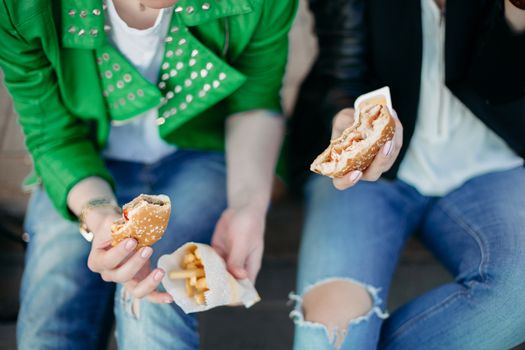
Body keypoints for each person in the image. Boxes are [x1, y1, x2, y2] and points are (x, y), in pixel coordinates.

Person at [0, 0, 297, 348]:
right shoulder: (20, 7)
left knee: (156, 303)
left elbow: (255, 101)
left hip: (200, 152)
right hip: (81, 163)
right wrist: (98, 214)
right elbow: (52, 133)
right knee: (48, 329)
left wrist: (248, 205)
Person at [289, 0, 525, 349]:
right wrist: (351, 124)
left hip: (491, 164)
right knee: (328, 335)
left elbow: (502, 86)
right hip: (370, 177)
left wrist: (517, 15)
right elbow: (342, 72)